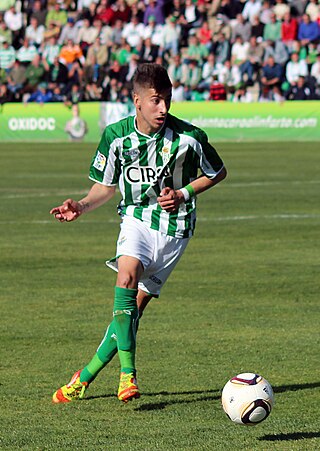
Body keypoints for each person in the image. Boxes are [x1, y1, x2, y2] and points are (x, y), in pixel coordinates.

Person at [50, 63, 227, 404]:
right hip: (136, 220)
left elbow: (218, 172)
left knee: (129, 315)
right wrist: (82, 206)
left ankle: (83, 377)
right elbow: (105, 187)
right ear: (137, 101)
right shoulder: (116, 137)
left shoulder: (190, 138)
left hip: (176, 232)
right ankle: (127, 375)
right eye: (155, 100)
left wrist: (182, 194)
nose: (163, 108)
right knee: (126, 277)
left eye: (167, 99)